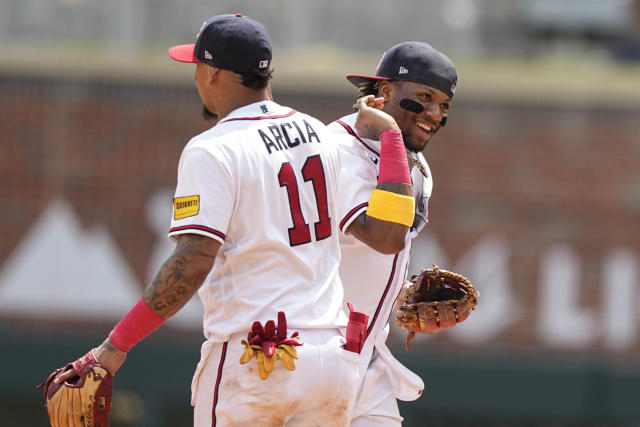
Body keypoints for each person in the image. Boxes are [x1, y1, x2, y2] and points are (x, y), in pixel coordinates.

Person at [45, 14, 417, 426]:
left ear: (212, 71)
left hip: (259, 361)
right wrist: (392, 138)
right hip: (333, 362)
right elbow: (389, 235)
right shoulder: (317, 133)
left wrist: (113, 348)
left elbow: (192, 262)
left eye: (197, 68)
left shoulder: (212, 149)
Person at [327, 41, 459, 426]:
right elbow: (385, 239)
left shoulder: (413, 163)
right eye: (423, 97)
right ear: (384, 92)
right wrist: (388, 136)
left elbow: (372, 255)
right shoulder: (337, 149)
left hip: (366, 355)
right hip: (315, 351)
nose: (434, 113)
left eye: (444, 105)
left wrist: (402, 299)